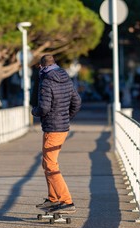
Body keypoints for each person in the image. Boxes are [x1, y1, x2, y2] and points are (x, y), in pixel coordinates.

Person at [31, 54, 82, 214]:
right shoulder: (66, 78)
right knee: (47, 163)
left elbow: (44, 108)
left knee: (51, 165)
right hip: (62, 127)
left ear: (41, 67)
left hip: (52, 128)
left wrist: (35, 111)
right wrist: (67, 117)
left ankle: (66, 201)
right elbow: (77, 102)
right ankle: (53, 198)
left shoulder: (46, 82)